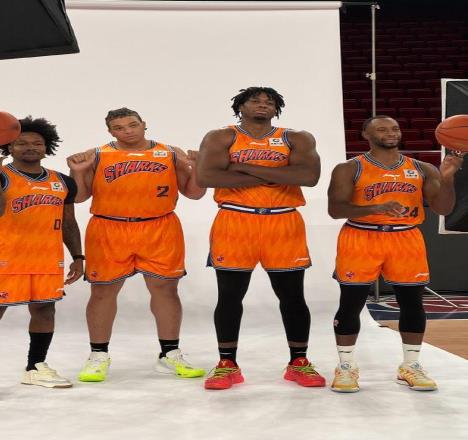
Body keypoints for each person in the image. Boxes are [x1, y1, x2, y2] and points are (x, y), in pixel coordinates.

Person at [197, 87, 325, 390]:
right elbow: (208, 177)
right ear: (240, 106)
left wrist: (241, 167)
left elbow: (308, 177)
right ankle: (227, 364)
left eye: (269, 102)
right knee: (230, 296)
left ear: (277, 109)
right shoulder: (221, 136)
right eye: (255, 100)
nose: (263, 105)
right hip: (235, 219)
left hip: (283, 220)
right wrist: (279, 173)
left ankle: (299, 362)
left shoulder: (296, 137)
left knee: (292, 296)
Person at [68, 108, 206, 382]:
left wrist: (198, 168)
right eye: (119, 128)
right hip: (109, 227)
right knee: (103, 292)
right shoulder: (97, 154)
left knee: (166, 290)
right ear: (110, 132)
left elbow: (194, 193)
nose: (127, 131)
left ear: (144, 124)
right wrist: (77, 172)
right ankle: (98, 355)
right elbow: (80, 197)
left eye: (132, 125)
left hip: (159, 226)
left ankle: (169, 354)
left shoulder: (169, 152)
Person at [328, 115, 463, 393]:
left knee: (412, 303)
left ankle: (410, 365)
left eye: (395, 128)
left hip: (405, 237)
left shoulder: (422, 168)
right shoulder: (349, 168)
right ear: (366, 134)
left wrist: (447, 178)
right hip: (361, 236)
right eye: (382, 129)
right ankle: (346, 366)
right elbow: (335, 209)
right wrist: (374, 208)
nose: (391, 133)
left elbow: (443, 208)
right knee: (351, 303)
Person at [0, 117, 83, 401]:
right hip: (4, 260)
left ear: (46, 147)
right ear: (9, 147)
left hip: (47, 260)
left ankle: (35, 368)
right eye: (22, 143)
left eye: (37, 143)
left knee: (45, 311)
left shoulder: (63, 181)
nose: (30, 147)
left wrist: (78, 256)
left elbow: (69, 222)